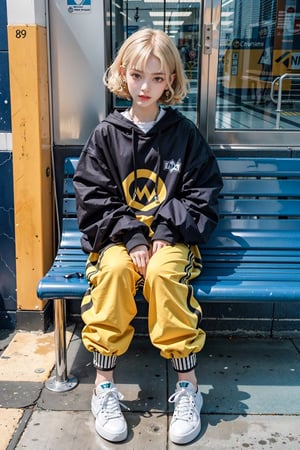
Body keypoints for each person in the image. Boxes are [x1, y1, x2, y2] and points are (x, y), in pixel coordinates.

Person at [73, 28, 223, 445]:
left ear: (171, 81)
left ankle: (188, 386)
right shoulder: (106, 134)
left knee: (162, 275)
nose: (146, 87)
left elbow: (202, 191)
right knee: (115, 272)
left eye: (157, 78)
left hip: (171, 240)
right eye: (138, 75)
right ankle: (104, 385)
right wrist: (134, 237)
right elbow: (94, 197)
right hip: (118, 239)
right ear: (123, 73)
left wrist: (165, 230)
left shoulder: (183, 133)